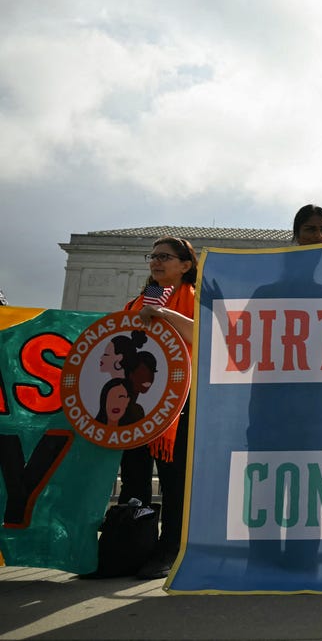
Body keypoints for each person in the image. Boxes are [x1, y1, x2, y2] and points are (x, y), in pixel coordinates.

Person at [116, 235, 197, 579]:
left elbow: (203, 335)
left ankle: (169, 549)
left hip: (177, 400)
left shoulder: (195, 299)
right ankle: (130, 546)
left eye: (165, 256)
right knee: (134, 476)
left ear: (185, 265)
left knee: (173, 479)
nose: (156, 262)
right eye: (153, 256)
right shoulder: (137, 301)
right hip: (134, 402)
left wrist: (163, 314)